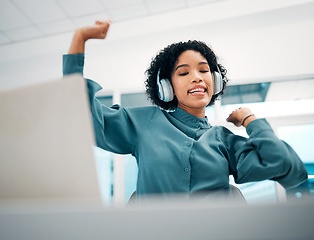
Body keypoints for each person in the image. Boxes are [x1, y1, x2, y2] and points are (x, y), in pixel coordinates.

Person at [63, 20, 307, 202]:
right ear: (166, 87)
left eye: (203, 71)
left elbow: (282, 163)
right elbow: (81, 115)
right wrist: (80, 39)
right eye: (183, 73)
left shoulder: (223, 139)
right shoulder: (143, 123)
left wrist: (249, 120)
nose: (197, 78)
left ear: (216, 82)